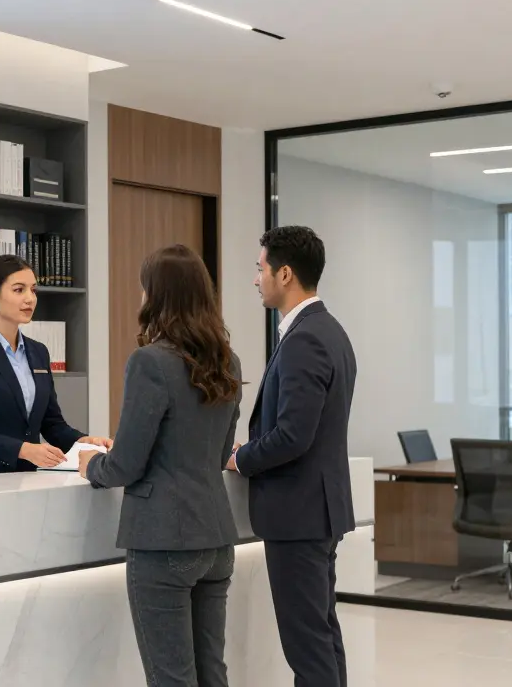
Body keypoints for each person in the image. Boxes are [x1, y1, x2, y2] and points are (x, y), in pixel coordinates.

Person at [78, 244, 242, 687]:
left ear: (157, 295)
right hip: (217, 542)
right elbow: (221, 451)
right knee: (212, 674)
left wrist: (92, 464)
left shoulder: (150, 362)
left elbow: (126, 465)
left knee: (172, 678)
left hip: (164, 541)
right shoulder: (228, 361)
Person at [228, 226, 356, 687]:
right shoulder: (328, 329)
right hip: (316, 512)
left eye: (259, 269)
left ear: (284, 274)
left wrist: (241, 459)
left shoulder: (305, 337)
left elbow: (293, 436)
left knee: (307, 645)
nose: (255, 279)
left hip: (299, 515)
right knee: (321, 636)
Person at [0, 254, 110, 476]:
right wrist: (23, 450)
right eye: (19, 290)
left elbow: (52, 425)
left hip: (29, 480)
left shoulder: (38, 352)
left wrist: (83, 441)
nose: (30, 298)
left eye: (33, 290)